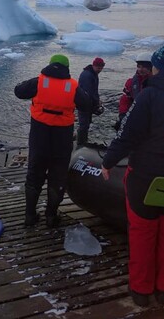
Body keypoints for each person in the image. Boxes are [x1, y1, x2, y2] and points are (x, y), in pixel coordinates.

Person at [101, 46, 164, 307]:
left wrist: (108, 161)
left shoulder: (149, 95)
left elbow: (127, 133)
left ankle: (141, 290)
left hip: (146, 177)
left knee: (142, 234)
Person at [14, 54, 91, 228]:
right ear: (67, 68)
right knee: (57, 178)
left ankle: (30, 215)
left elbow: (18, 91)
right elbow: (86, 104)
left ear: (50, 65)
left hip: (39, 137)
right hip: (62, 139)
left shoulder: (39, 81)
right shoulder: (72, 86)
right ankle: (51, 217)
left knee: (34, 176)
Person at [115, 52, 152, 129]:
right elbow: (125, 100)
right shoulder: (131, 82)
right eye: (139, 66)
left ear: (150, 67)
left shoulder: (157, 82)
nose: (140, 69)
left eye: (144, 67)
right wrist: (123, 114)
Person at [76, 57, 105, 146]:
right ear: (93, 65)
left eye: (101, 68)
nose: (100, 70)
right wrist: (96, 103)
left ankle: (81, 140)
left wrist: (97, 100)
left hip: (87, 103)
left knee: (86, 123)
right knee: (84, 124)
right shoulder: (88, 75)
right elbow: (88, 92)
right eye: (98, 67)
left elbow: (94, 90)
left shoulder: (93, 74)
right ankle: (81, 143)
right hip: (84, 103)